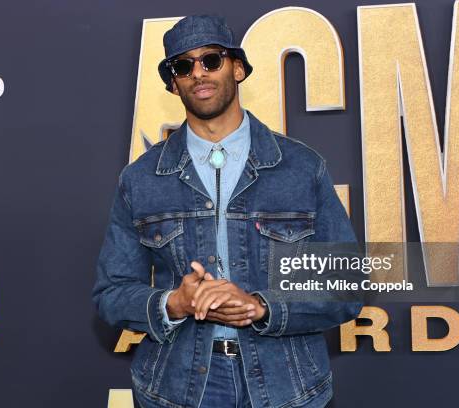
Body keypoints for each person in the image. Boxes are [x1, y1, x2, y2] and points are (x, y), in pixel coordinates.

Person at [92, 14, 362, 408]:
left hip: (286, 383)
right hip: (179, 385)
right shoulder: (141, 179)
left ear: (237, 68)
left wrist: (262, 306)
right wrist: (174, 303)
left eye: (211, 60)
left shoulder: (302, 168)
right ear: (173, 83)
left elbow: (345, 285)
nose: (198, 73)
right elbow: (111, 292)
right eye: (183, 66)